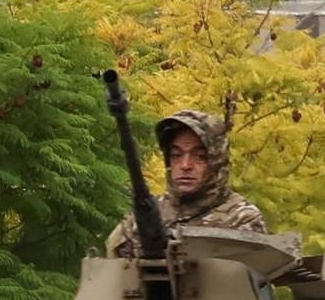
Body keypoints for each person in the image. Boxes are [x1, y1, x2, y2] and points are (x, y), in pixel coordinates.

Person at [103, 107, 272, 253]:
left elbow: (247, 283)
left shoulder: (242, 218)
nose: (185, 165)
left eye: (200, 157)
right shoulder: (144, 217)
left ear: (216, 161)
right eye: (176, 155)